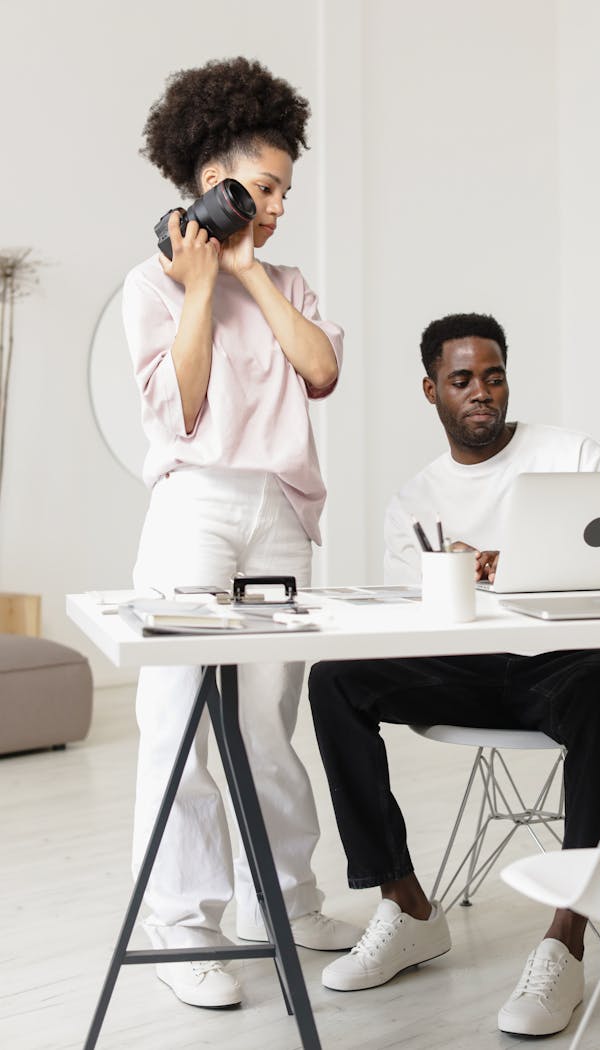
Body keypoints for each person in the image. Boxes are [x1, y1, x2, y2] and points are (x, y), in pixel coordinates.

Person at [308, 312, 600, 1037]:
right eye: (462, 380)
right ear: (430, 390)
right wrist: (455, 569)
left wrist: (513, 562)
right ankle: (405, 906)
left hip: (566, 660)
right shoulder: (414, 502)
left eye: (493, 376)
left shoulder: (570, 454)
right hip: (469, 667)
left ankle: (568, 936)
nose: (481, 393)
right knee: (334, 678)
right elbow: (415, 619)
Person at [122, 57, 360, 1010]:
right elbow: (180, 411)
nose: (276, 205)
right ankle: (184, 925)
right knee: (177, 717)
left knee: (267, 721)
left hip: (281, 515)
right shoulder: (152, 283)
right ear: (209, 182)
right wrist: (198, 286)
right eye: (262, 188)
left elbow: (320, 374)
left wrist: (253, 271)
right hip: (197, 506)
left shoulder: (287, 278)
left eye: (284, 192)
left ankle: (286, 905)